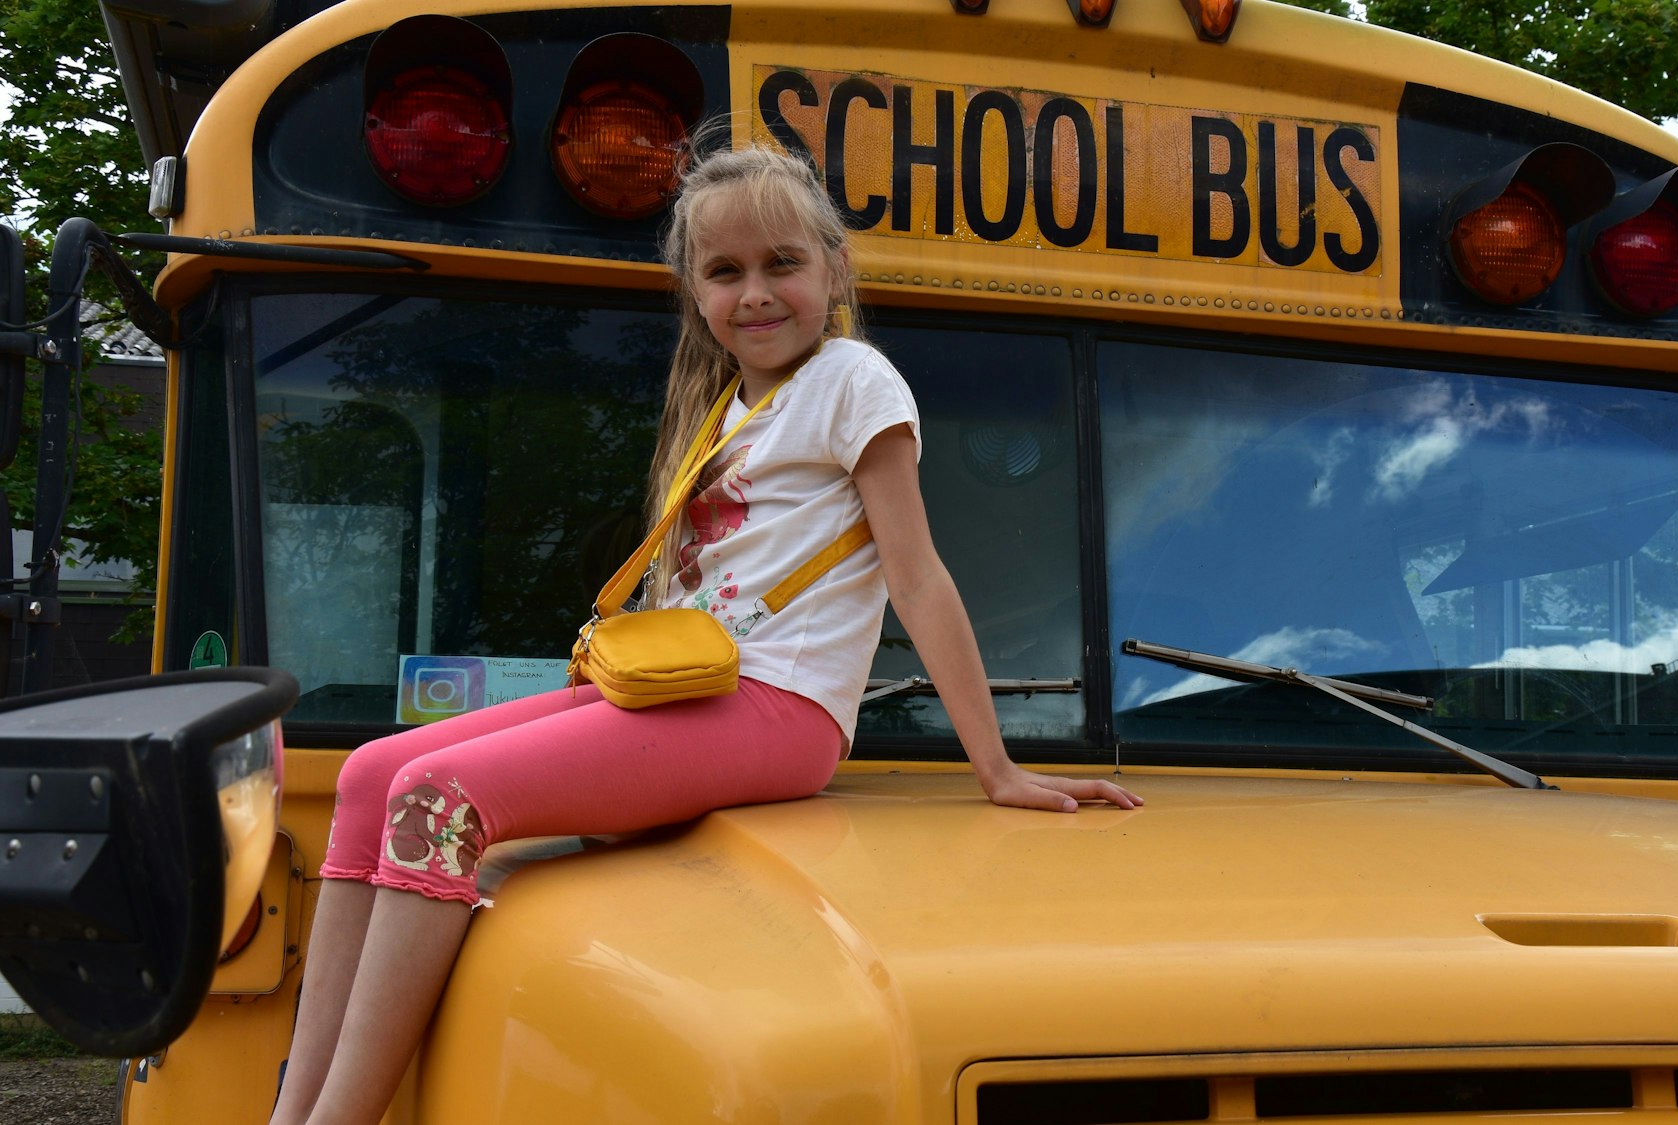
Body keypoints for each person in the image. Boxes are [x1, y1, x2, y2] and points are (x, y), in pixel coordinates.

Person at [269, 140, 1143, 1125]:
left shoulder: (852, 380)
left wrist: (999, 769)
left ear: (832, 271)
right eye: (724, 272)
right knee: (368, 776)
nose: (756, 293)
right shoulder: (728, 409)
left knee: (440, 800)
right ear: (693, 292)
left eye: (782, 264)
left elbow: (917, 573)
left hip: (780, 706)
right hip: (688, 691)